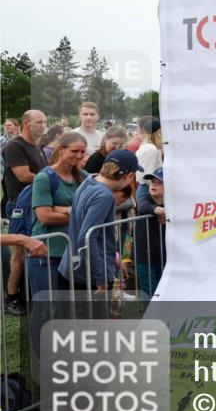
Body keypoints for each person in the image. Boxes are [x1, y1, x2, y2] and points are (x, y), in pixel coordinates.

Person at [58, 150, 142, 294]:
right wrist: (101, 277)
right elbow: (87, 237)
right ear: (129, 176)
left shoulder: (89, 180)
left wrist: (112, 256)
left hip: (72, 267)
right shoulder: (104, 196)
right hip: (88, 276)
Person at [28, 131, 88, 297]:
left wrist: (63, 209)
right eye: (74, 151)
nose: (79, 156)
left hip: (73, 253)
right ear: (61, 149)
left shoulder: (83, 177)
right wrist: (77, 213)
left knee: (68, 310)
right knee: (45, 311)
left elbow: (95, 206)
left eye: (82, 152)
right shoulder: (44, 177)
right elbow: (44, 217)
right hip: (48, 254)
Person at [2, 110, 47, 315]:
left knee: (35, 249)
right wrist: (50, 179)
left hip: (34, 203)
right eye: (39, 122)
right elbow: (23, 176)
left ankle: (26, 294)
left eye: (45, 122)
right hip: (19, 206)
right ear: (26, 123)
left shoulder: (36, 146)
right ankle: (11, 298)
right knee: (19, 252)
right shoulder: (14, 146)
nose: (43, 125)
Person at [135, 167, 166, 297]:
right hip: (145, 256)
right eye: (153, 182)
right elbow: (143, 206)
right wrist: (160, 211)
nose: (154, 185)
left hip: (165, 256)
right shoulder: (144, 197)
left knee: (164, 289)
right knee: (149, 292)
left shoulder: (172, 203)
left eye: (159, 182)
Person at [135, 119, 162, 186]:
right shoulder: (151, 148)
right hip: (148, 189)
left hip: (147, 188)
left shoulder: (145, 146)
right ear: (158, 132)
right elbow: (147, 175)